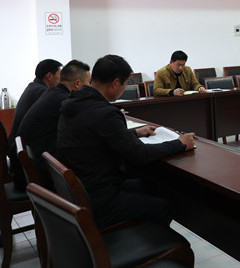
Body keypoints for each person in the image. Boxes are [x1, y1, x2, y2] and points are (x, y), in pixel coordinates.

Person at [57, 54, 196, 229]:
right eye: (124, 84)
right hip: (100, 198)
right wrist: (180, 143)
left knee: (152, 186)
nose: (123, 89)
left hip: (85, 187)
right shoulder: (104, 112)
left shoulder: (74, 102)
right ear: (116, 83)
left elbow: (99, 136)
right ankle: (147, 244)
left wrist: (134, 133)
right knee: (165, 207)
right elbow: (140, 154)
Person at [15, 60, 91, 190]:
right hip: (44, 171)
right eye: (88, 83)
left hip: (31, 165)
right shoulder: (64, 100)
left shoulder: (52, 93)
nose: (90, 87)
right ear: (78, 84)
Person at [7, 58, 62, 182]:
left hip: (17, 154)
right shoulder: (42, 93)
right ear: (49, 76)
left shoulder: (32, 88)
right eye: (59, 76)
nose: (61, 80)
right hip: (23, 164)